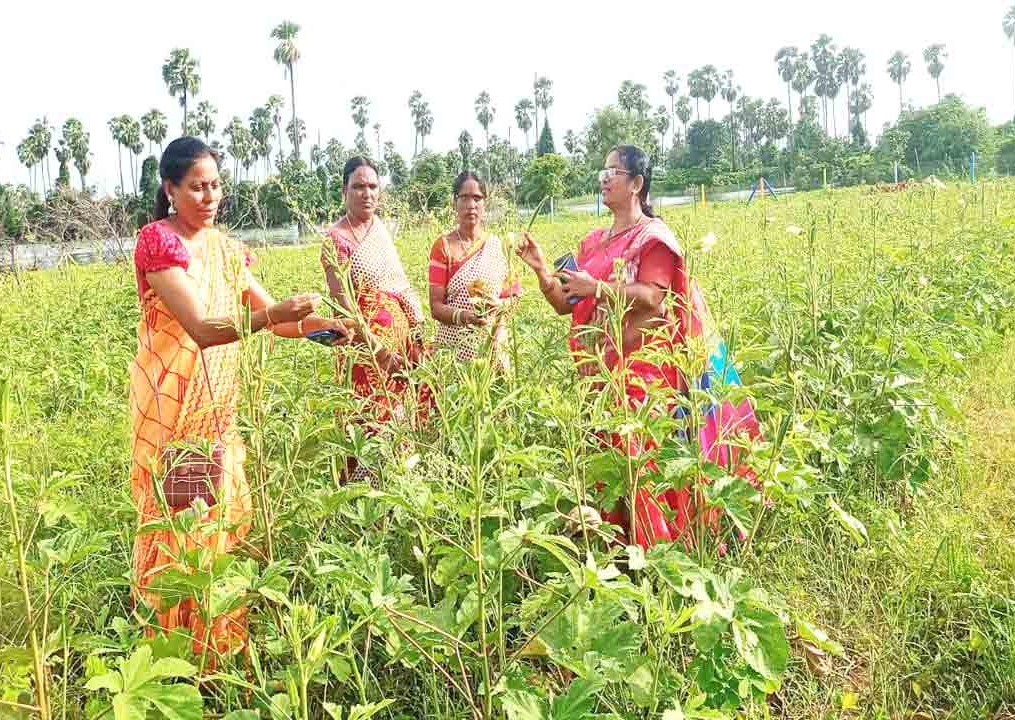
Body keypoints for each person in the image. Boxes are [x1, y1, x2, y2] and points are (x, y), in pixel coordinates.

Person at [130, 137, 346, 661]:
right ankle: (175, 656)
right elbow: (203, 329)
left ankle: (220, 650)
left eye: (215, 186)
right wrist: (275, 316)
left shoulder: (228, 251)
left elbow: (277, 320)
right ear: (170, 190)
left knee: (221, 533)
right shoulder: (160, 243)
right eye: (196, 187)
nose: (208, 197)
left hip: (218, 410)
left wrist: (334, 329)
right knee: (181, 534)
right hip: (173, 413)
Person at [516, 144, 759, 549]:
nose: (604, 179)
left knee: (639, 458)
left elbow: (653, 296)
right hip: (598, 375)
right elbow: (564, 303)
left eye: (613, 172)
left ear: (636, 184)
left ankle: (656, 550)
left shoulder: (653, 238)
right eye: (602, 173)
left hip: (643, 374)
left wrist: (598, 287)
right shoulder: (593, 243)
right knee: (608, 463)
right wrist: (542, 268)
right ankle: (616, 549)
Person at [322, 157, 428, 478]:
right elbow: (344, 307)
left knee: (400, 423)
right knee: (369, 425)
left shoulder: (379, 229)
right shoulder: (335, 240)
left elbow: (399, 282)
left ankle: (400, 492)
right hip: (364, 353)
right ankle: (367, 507)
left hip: (401, 346)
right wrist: (379, 353)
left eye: (372, 186)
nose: (366, 193)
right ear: (344, 191)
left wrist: (418, 331)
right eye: (358, 187)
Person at [428, 171, 520, 366]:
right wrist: (465, 317)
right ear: (455, 203)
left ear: (484, 203)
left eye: (477, 198)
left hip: (493, 344)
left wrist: (498, 306)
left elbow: (513, 296)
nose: (471, 205)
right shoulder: (443, 247)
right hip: (454, 349)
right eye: (464, 198)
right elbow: (435, 307)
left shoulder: (497, 246)